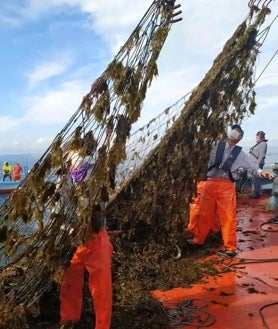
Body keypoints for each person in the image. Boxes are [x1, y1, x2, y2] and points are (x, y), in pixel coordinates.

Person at [187, 124, 273, 257]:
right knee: (204, 213)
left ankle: (230, 247)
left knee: (228, 216)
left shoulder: (241, 154)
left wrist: (262, 173)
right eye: (232, 130)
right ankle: (198, 240)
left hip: (226, 186)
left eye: (237, 132)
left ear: (240, 138)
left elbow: (253, 168)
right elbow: (197, 146)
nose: (234, 133)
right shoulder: (214, 145)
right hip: (209, 183)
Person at [59, 205, 113, 329]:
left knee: (102, 289)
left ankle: (102, 326)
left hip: (97, 238)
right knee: (69, 281)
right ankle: (69, 321)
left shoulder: (95, 188)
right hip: (71, 239)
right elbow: (57, 210)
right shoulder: (63, 186)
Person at [248, 131, 268, 198]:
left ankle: (256, 194)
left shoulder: (263, 144)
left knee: (257, 180)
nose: (255, 138)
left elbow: (261, 156)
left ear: (259, 137)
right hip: (254, 165)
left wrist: (257, 166)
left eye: (256, 137)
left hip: (257, 165)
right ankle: (255, 193)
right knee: (254, 179)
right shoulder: (259, 144)